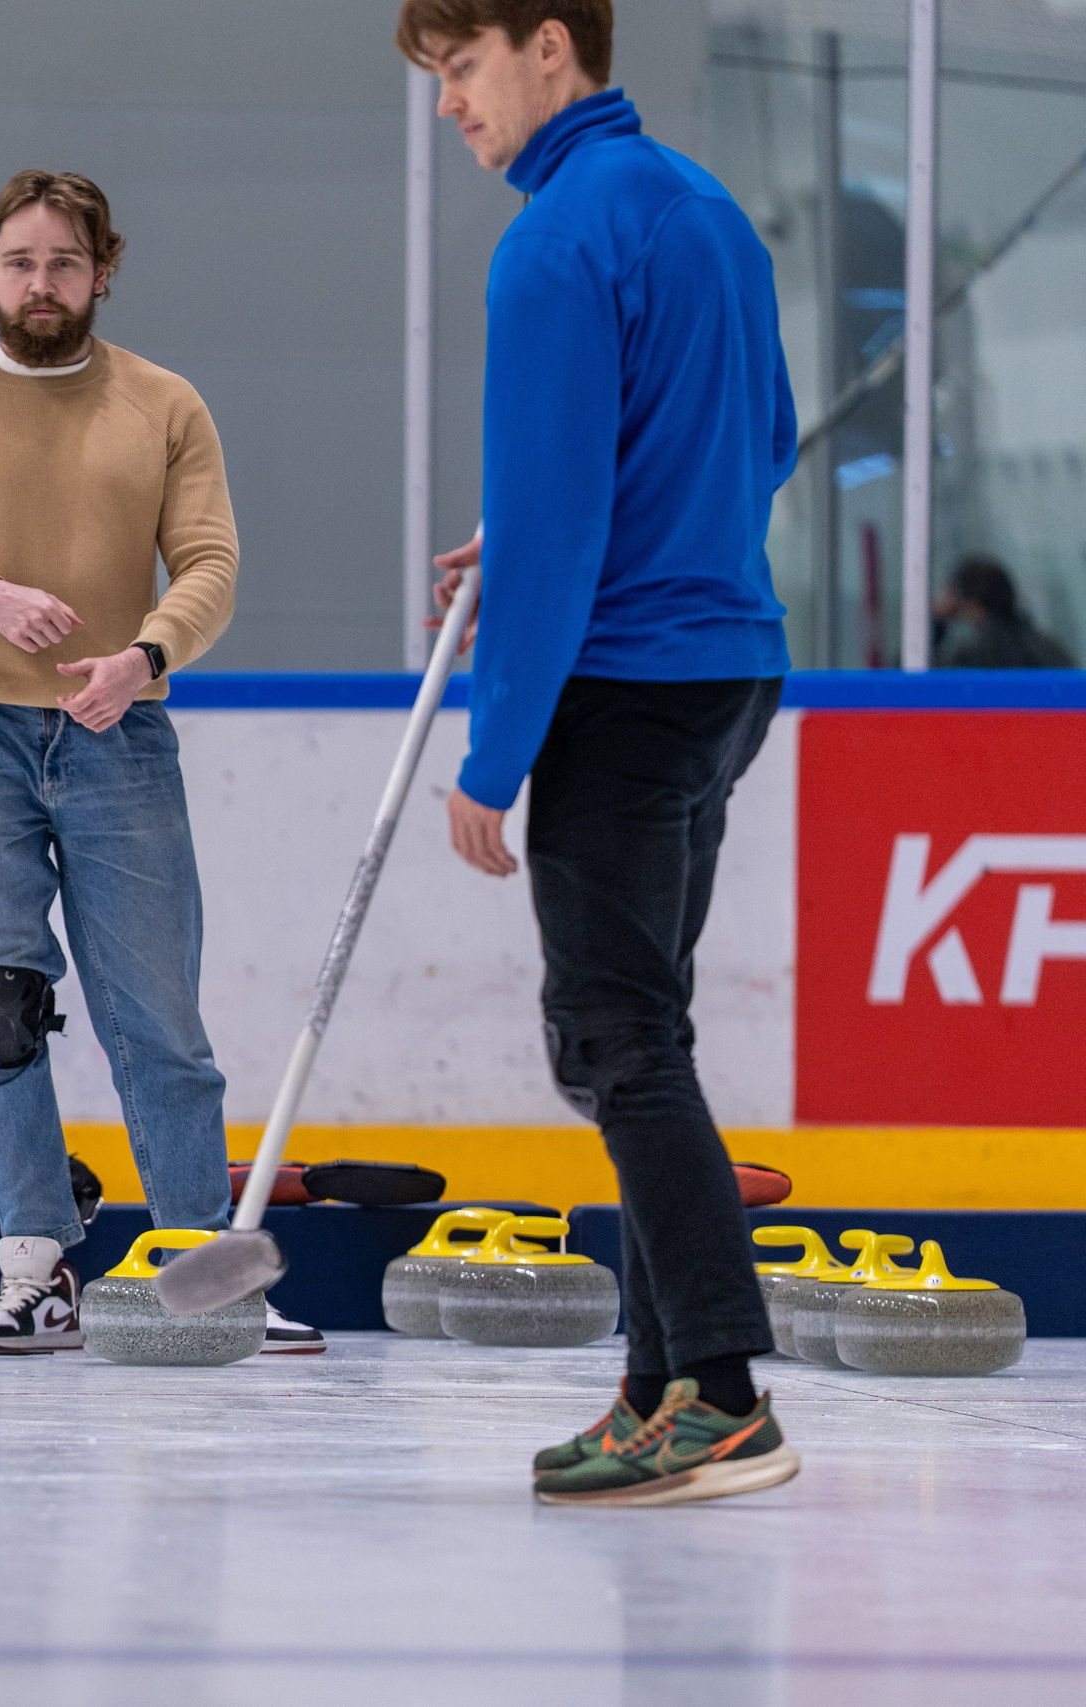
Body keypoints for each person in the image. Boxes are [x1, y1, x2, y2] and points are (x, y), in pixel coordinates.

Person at [400, 0, 803, 1503]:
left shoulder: (556, 238)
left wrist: (493, 749)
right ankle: (656, 1388)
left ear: (548, 45)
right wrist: (580, 540)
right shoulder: (706, 209)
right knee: (646, 1036)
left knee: (617, 1044)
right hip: (727, 671)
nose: (449, 107)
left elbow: (565, 524)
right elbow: (763, 438)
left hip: (622, 693)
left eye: (459, 72)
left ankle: (724, 1392)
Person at [0, 170, 320, 1355]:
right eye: (19, 263)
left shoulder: (163, 405)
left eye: (64, 262)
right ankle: (34, 1268)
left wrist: (145, 658)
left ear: (102, 271)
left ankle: (206, 1274)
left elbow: (207, 563)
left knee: (156, 1016)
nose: (40, 283)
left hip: (120, 735)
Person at [935, 556, 1076, 668]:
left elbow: (937, 686)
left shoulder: (976, 655)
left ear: (968, 601)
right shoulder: (1049, 648)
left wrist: (936, 624)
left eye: (949, 593)